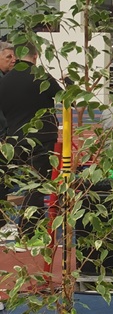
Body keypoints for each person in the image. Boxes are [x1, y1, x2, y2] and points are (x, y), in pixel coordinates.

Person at [0, 42, 60, 237]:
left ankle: (2, 223)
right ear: (35, 56)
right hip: (42, 139)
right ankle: (28, 232)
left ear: (17, 56)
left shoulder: (5, 81)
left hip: (13, 140)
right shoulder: (41, 76)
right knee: (36, 186)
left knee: (5, 182)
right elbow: (67, 98)